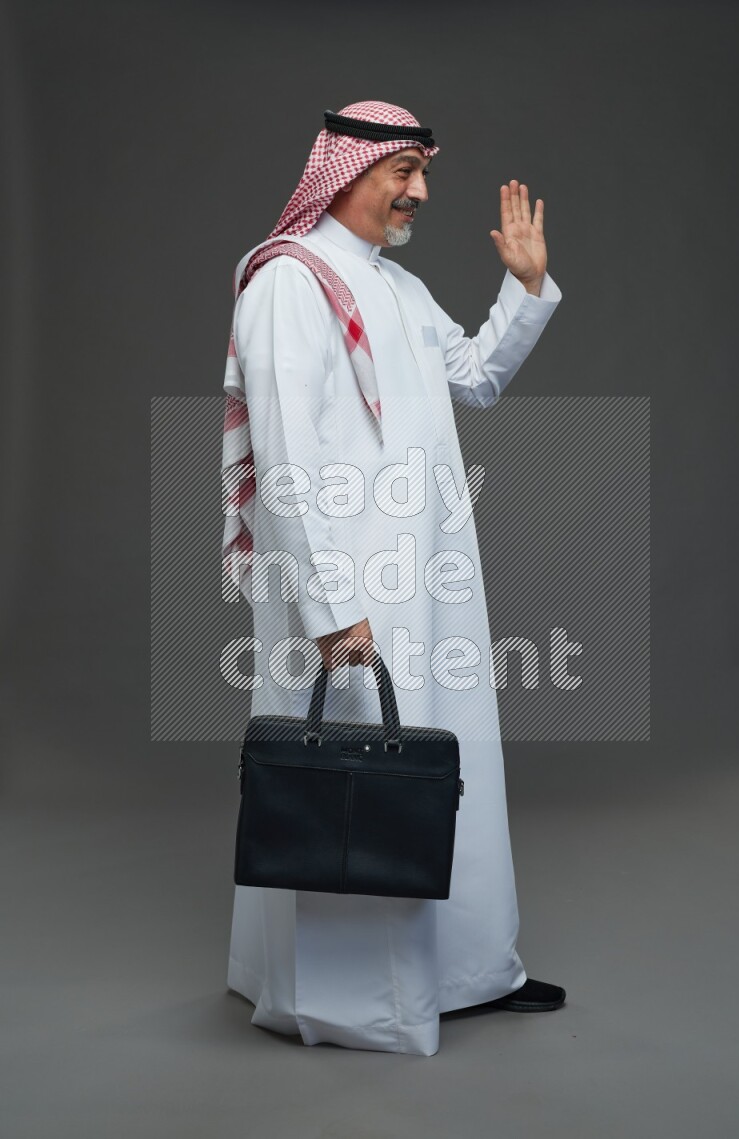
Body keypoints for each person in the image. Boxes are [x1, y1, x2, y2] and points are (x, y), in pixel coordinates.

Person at [220, 100, 565, 1056]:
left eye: (423, 172)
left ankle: (463, 972)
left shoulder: (398, 289)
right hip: (352, 587)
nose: (419, 190)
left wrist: (525, 289)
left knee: (444, 765)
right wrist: (334, 613)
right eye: (402, 170)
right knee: (350, 778)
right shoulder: (291, 283)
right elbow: (285, 456)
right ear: (345, 169)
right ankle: (356, 1001)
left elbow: (477, 376)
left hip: (430, 575)